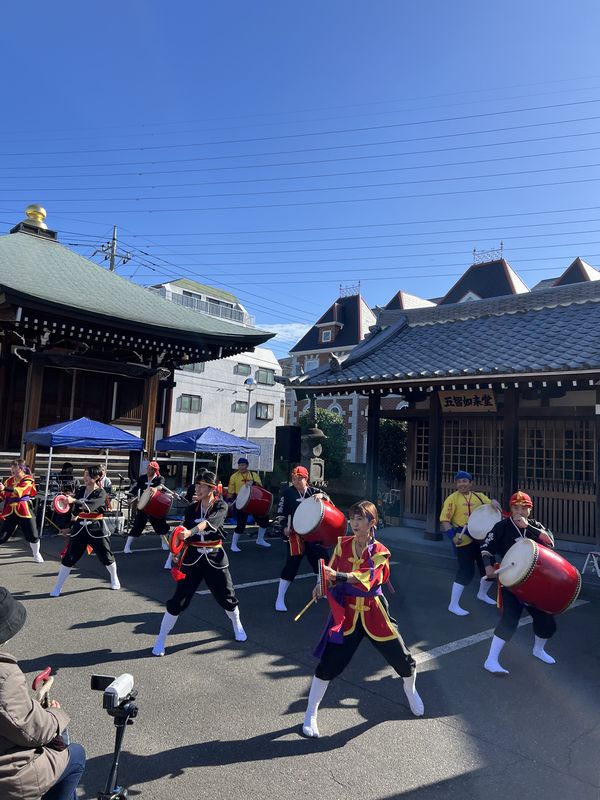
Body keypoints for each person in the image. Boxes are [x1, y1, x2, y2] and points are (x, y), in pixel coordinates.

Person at [302, 501, 424, 738]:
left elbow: (368, 577)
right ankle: (310, 713)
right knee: (329, 664)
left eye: (360, 519)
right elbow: (330, 571)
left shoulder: (381, 551)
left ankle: (410, 691)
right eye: (352, 518)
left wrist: (337, 576)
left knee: (404, 661)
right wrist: (321, 584)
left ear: (372, 523)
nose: (355, 523)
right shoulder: (341, 545)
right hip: (347, 614)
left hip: (374, 612)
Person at [0, 586, 86, 800]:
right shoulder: (4, 673)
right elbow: (31, 730)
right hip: (8, 778)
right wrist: (55, 715)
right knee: (75, 755)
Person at [152, 470, 247, 656]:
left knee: (227, 597)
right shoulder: (191, 509)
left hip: (215, 557)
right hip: (193, 557)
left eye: (202, 485)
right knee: (178, 600)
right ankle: (161, 638)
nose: (198, 488)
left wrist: (190, 531)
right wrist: (177, 552)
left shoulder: (221, 506)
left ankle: (237, 624)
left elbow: (208, 523)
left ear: (212, 488)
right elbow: (183, 534)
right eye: (197, 485)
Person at [480, 491, 557, 675]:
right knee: (510, 619)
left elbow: (551, 543)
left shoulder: (535, 525)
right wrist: (489, 568)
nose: (520, 511)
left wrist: (529, 527)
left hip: (536, 582)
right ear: (511, 508)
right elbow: (486, 548)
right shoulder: (502, 527)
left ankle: (538, 650)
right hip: (512, 581)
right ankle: (491, 660)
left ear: (530, 509)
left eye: (524, 508)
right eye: (516, 507)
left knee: (546, 622)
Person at [49, 465, 121, 597]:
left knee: (106, 556)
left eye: (88, 475)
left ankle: (114, 577)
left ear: (96, 477)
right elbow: (75, 511)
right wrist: (67, 523)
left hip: (96, 528)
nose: (85, 477)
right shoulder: (81, 490)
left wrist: (74, 500)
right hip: (79, 528)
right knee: (69, 558)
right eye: (84, 474)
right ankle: (57, 587)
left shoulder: (101, 492)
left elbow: (90, 507)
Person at [440, 470, 501, 615]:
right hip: (464, 539)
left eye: (465, 481)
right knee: (466, 571)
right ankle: (453, 604)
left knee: (489, 567)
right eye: (459, 481)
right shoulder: (452, 499)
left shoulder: (479, 497)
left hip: (481, 540)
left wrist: (494, 502)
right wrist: (452, 536)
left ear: (471, 483)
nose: (462, 484)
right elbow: (445, 520)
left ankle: (482, 594)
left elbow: (492, 506)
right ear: (456, 484)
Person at [274, 465, 329, 612]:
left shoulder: (313, 491)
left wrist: (322, 497)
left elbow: (329, 501)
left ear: (307, 479)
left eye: (300, 478)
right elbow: (280, 512)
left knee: (321, 560)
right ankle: (279, 598)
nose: (296, 481)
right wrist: (284, 526)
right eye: (294, 478)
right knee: (292, 565)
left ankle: (321, 589)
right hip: (295, 535)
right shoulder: (287, 493)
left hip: (313, 534)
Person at [0, 460, 43, 563]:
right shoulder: (9, 480)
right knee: (2, 536)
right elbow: (2, 495)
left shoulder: (28, 479)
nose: (12, 473)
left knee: (33, 535)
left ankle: (36, 553)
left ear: (22, 470)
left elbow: (20, 491)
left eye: (15, 470)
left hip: (24, 510)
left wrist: (4, 488)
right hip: (10, 510)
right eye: (12, 470)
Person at [124, 461, 170, 554]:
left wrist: (155, 488)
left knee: (160, 524)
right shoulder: (142, 478)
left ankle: (164, 543)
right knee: (137, 525)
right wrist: (130, 497)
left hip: (155, 506)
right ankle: (127, 547)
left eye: (151, 469)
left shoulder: (159, 478)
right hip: (143, 506)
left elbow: (161, 486)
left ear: (155, 470)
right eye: (148, 469)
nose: (149, 471)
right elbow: (135, 488)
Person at [227, 457, 270, 550]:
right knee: (241, 524)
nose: (241, 467)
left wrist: (253, 482)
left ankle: (260, 539)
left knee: (264, 519)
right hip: (240, 501)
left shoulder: (253, 475)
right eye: (239, 465)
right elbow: (230, 491)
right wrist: (229, 502)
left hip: (253, 500)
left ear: (247, 465)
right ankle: (233, 545)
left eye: (243, 465)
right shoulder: (233, 476)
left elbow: (260, 487)